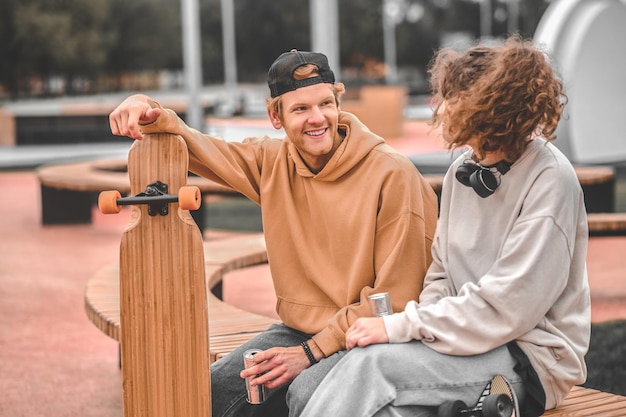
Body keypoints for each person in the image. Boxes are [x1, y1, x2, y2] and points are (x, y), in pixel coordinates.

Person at [109, 49, 439, 417]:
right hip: (299, 331)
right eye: (300, 109)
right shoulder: (272, 162)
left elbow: (396, 299)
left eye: (326, 104)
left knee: (308, 393)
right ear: (275, 116)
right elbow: (195, 145)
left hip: (373, 337)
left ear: (338, 102)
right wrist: (146, 108)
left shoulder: (394, 175)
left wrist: (311, 353)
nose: (318, 119)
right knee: (211, 391)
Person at [295, 36, 591, 417]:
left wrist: (403, 329)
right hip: (460, 340)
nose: (445, 113)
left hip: (529, 357)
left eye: (457, 107)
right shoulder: (461, 173)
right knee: (380, 407)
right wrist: (419, 333)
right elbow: (441, 273)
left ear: (497, 113)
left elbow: (507, 308)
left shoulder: (549, 180)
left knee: (372, 367)